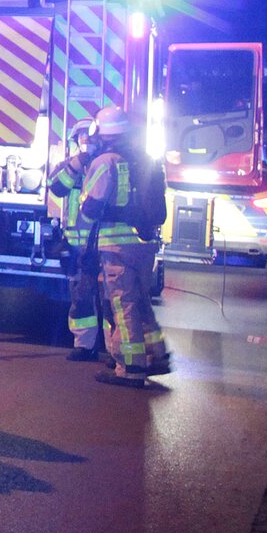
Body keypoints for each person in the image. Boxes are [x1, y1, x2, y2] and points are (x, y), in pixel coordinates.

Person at [80, 105, 172, 387]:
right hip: (144, 243)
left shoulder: (105, 162)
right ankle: (155, 356)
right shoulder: (146, 159)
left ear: (103, 133)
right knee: (140, 301)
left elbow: (90, 208)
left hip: (117, 246)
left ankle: (130, 367)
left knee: (123, 304)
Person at [47, 121, 101, 361]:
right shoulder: (70, 166)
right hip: (76, 245)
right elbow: (56, 187)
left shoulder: (106, 164)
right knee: (80, 298)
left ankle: (115, 350)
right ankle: (84, 345)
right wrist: (78, 162)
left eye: (88, 137)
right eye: (81, 138)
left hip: (102, 242)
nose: (85, 142)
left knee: (110, 299)